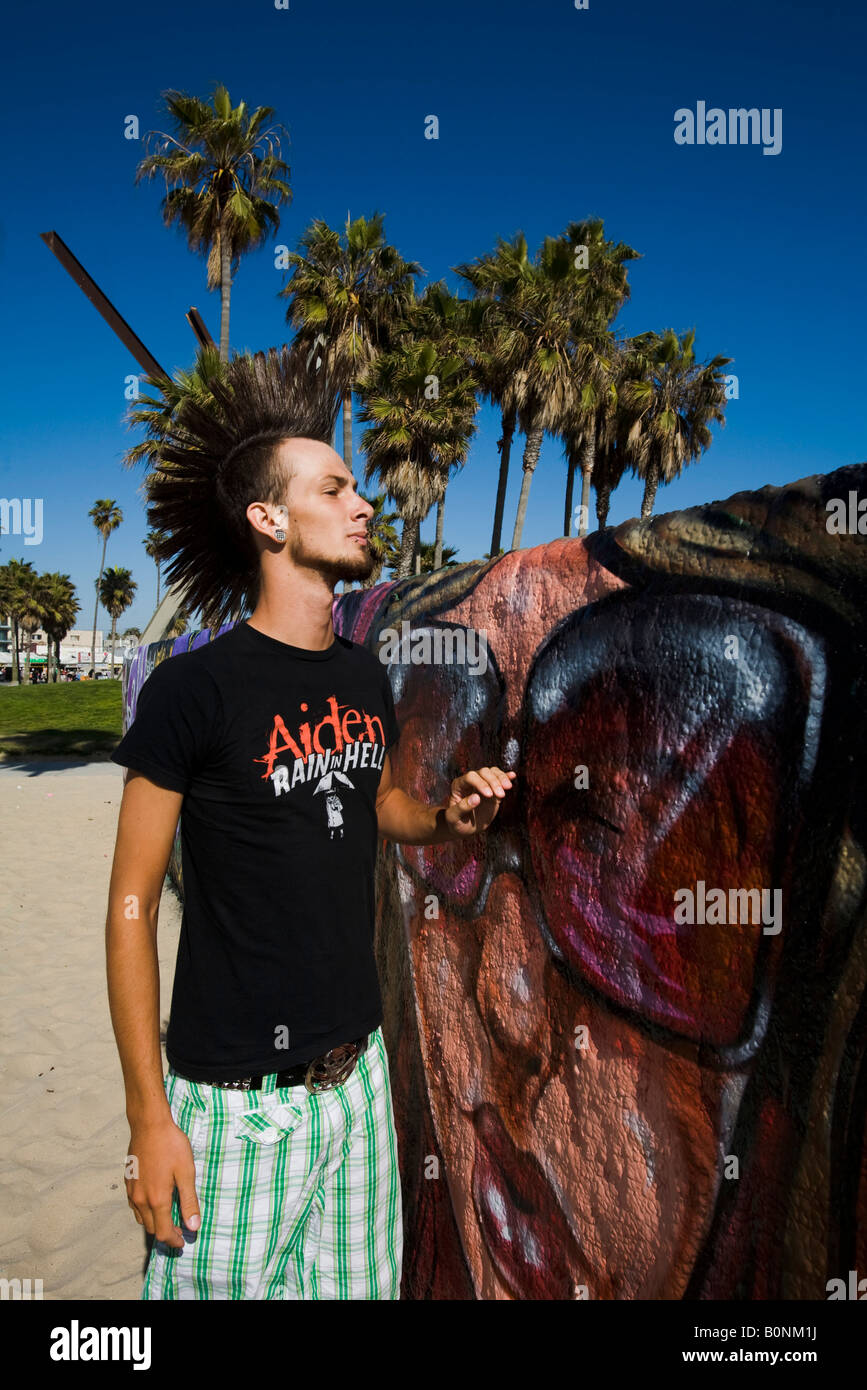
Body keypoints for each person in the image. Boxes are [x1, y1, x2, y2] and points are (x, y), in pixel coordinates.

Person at [105, 346, 515, 1300]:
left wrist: (444, 818)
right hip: (233, 1108)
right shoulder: (192, 690)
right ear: (270, 519)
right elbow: (130, 906)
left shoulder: (364, 676)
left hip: (358, 1081)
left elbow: (375, 806)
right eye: (335, 487)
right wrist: (147, 1118)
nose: (363, 503)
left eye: (358, 486)